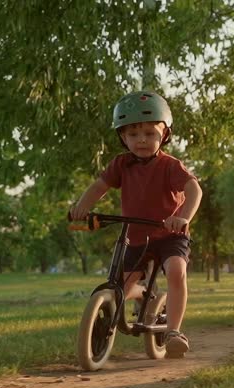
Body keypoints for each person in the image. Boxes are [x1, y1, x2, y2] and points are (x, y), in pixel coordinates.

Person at [70, 91, 202, 358]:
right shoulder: (122, 164)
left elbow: (193, 188)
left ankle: (174, 332)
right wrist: (82, 206)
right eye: (133, 135)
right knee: (122, 288)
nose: (141, 140)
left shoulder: (170, 165)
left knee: (176, 271)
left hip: (170, 233)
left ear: (164, 135)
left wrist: (183, 216)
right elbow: (99, 186)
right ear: (122, 137)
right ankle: (143, 295)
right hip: (136, 236)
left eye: (150, 134)